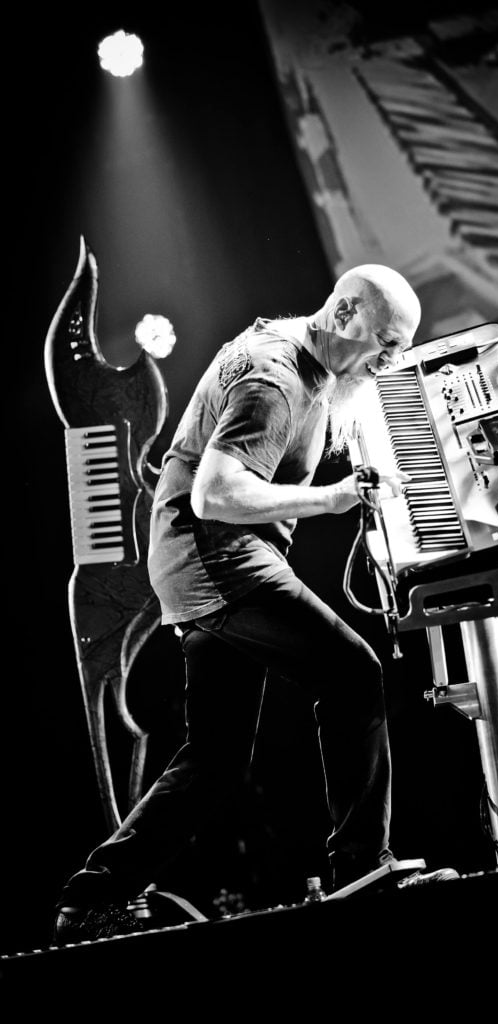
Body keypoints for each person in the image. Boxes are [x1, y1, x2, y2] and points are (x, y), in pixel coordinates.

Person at [54, 263, 429, 944]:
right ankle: (359, 869)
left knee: (215, 760)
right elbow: (216, 494)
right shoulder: (274, 378)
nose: (389, 361)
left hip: (202, 562)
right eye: (387, 344)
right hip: (216, 559)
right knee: (352, 675)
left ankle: (95, 895)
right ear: (344, 313)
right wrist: (332, 499)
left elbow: (325, 417)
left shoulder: (311, 361)